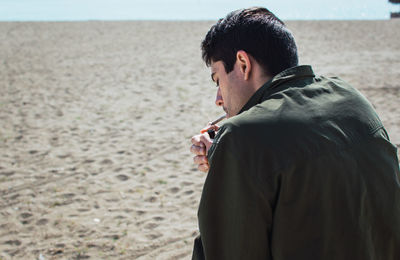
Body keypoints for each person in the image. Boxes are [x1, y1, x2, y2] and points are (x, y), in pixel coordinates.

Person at [190, 7, 400, 260]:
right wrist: (224, 159)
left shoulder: (240, 137)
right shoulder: (351, 98)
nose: (218, 98)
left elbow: (223, 249)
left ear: (243, 64)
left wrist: (230, 155)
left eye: (217, 80)